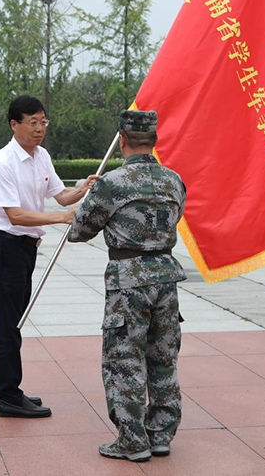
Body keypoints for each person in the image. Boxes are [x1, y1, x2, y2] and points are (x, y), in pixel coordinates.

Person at [68, 110, 186, 463]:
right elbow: (177, 215)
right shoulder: (174, 180)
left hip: (128, 281)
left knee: (124, 360)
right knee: (163, 358)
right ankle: (160, 434)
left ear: (121, 139)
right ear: (155, 140)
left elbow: (80, 230)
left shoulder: (112, 183)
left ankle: (133, 441)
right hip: (166, 279)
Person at [0, 95, 100, 419]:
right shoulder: (4, 162)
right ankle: (8, 396)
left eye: (43, 122)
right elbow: (15, 215)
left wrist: (83, 190)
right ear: (14, 124)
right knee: (9, 325)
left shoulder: (42, 157)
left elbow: (61, 196)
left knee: (14, 322)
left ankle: (4, 391)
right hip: (7, 246)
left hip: (26, 250)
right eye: (32, 123)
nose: (40, 129)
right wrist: (61, 219)